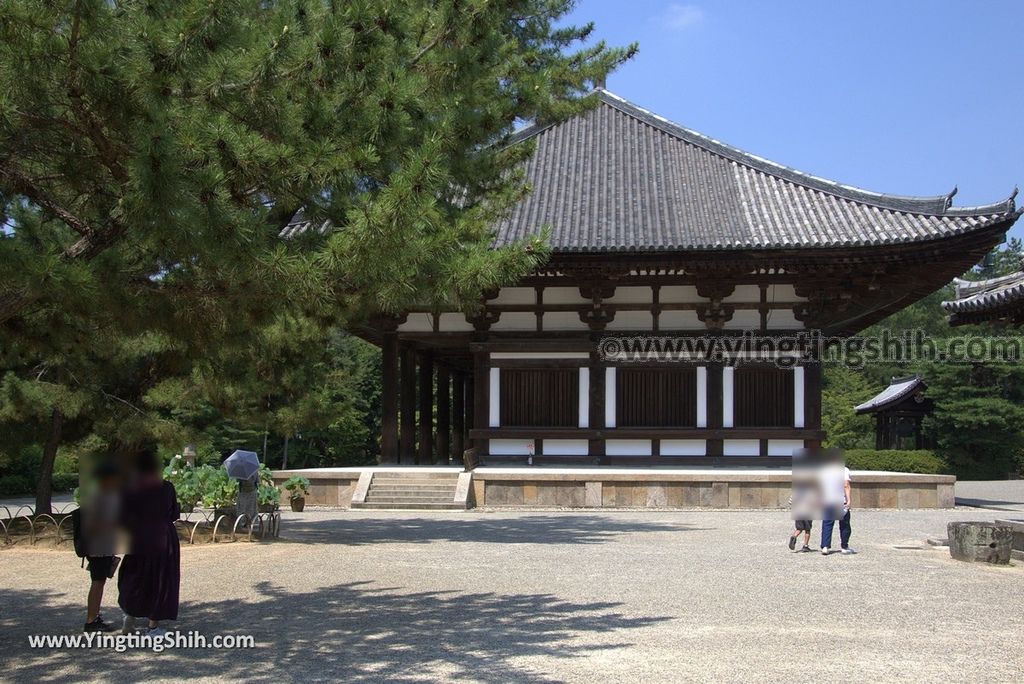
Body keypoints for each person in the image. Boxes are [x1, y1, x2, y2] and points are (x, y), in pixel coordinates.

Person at [118, 449, 181, 635]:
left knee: (135, 574)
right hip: (163, 535)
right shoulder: (166, 488)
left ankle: (130, 612)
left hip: (139, 534)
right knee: (161, 578)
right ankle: (153, 626)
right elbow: (173, 514)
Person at [82, 462, 121, 633]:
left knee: (100, 581)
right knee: (97, 582)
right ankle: (91, 620)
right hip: (99, 546)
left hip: (103, 545)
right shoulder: (99, 496)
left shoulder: (103, 494)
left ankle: (94, 616)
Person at [819, 457, 855, 556]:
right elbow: (846, 485)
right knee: (844, 525)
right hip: (840, 501)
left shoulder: (824, 471)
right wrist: (849, 500)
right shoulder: (844, 470)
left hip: (828, 500)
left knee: (827, 524)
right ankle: (844, 546)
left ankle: (825, 546)